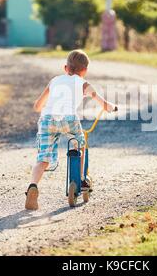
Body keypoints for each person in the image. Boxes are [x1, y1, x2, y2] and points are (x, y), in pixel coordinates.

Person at [25, 49, 117, 210]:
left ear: (65, 68)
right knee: (80, 142)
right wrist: (109, 107)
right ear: (85, 71)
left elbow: (37, 105)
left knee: (43, 158)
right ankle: (81, 178)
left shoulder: (54, 81)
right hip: (69, 119)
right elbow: (100, 100)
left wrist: (47, 109)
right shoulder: (83, 83)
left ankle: (32, 186)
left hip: (48, 119)